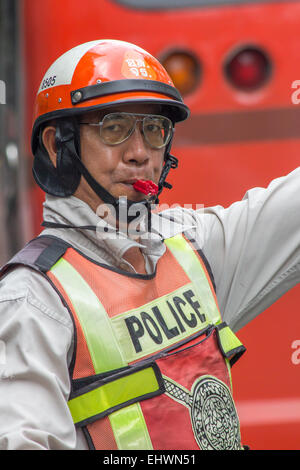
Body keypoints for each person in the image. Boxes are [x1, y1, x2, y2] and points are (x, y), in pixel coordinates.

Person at [0, 39, 299, 451]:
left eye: (154, 130)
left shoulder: (189, 245)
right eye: (115, 128)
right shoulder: (32, 300)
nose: (140, 154)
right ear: (57, 145)